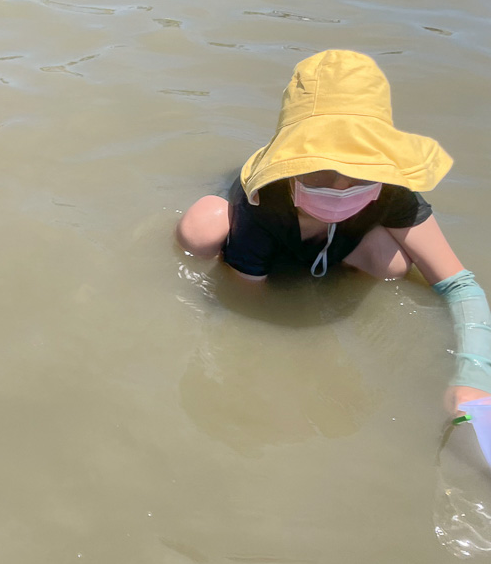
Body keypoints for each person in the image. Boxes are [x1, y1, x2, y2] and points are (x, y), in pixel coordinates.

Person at [175, 49, 491, 415]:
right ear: (290, 167)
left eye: (360, 173)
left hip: (339, 252)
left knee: (393, 264)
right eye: (319, 171)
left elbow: (459, 285)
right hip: (266, 254)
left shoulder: (392, 193)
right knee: (203, 224)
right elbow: (246, 299)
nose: (340, 187)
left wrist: (474, 376)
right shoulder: (264, 202)